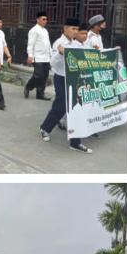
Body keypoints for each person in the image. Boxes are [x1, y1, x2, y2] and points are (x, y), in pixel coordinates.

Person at [39, 18, 92, 153]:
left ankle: (75, 142)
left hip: (75, 79)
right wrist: (62, 53)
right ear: (65, 28)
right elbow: (52, 62)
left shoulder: (75, 43)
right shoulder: (59, 43)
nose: (75, 31)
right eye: (73, 29)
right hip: (61, 78)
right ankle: (45, 128)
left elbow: (86, 55)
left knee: (77, 107)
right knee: (61, 105)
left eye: (76, 29)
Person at [25, 11, 52, 100]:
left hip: (46, 57)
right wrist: (30, 55)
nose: (45, 21)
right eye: (43, 19)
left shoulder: (45, 30)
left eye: (46, 19)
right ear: (38, 20)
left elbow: (48, 44)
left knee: (44, 77)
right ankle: (28, 87)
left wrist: (51, 56)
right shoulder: (34, 30)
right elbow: (30, 44)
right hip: (38, 57)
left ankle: (40, 94)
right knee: (38, 75)